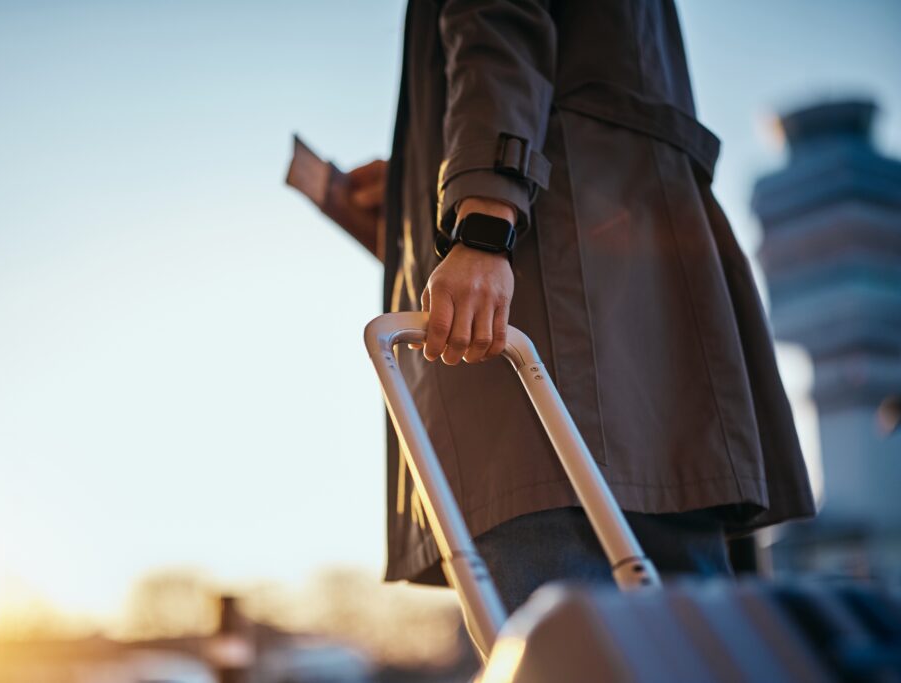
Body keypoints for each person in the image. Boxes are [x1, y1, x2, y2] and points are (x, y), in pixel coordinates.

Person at [339, 0, 816, 614]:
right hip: (640, 299)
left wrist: (482, 219)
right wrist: (421, 188)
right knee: (691, 633)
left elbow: (497, 20)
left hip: (555, 303)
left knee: (576, 628)